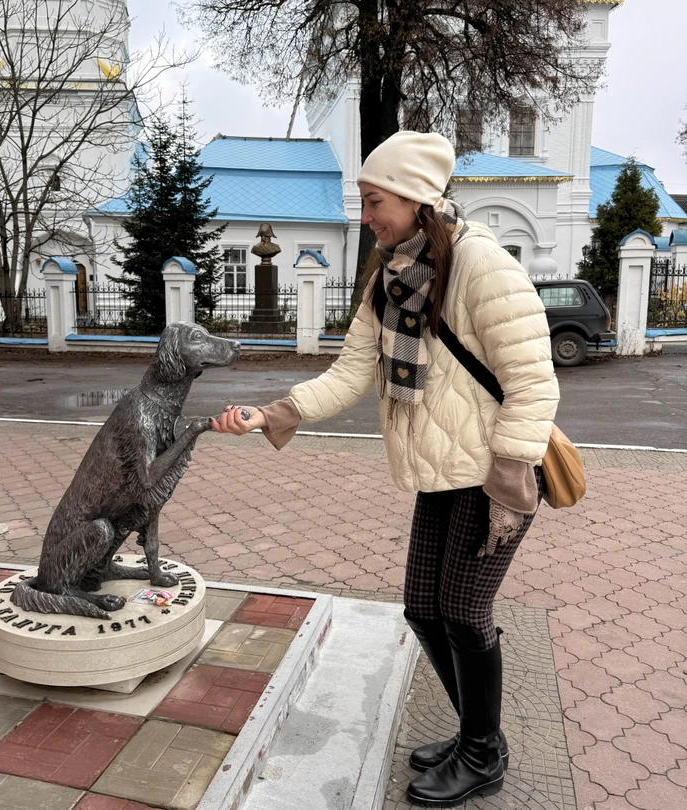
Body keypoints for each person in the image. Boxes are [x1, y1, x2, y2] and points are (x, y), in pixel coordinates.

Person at [212, 131, 559, 807]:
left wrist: (511, 479)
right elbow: (351, 372)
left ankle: (482, 753)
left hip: (495, 475)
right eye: (364, 201)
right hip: (440, 469)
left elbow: (533, 382)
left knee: (464, 613)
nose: (366, 215)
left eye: (375, 201)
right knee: (424, 610)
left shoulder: (481, 265)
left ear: (414, 197)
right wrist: (274, 413)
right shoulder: (390, 276)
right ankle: (477, 735)